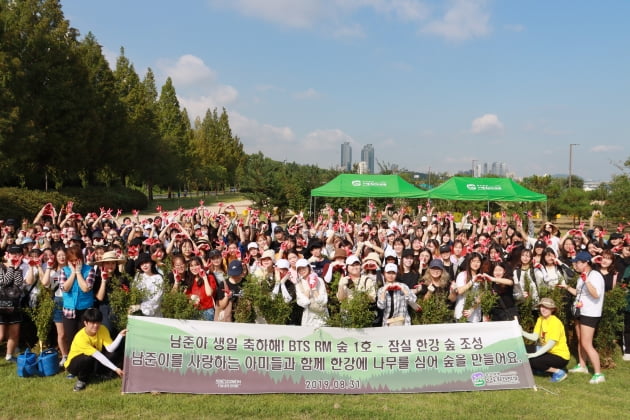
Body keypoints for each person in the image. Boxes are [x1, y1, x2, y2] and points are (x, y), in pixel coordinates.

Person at [560, 251, 606, 384]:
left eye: (578, 262)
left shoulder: (595, 276)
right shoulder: (582, 277)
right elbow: (579, 293)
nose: (575, 265)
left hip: (590, 313)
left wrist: (587, 281)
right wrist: (567, 287)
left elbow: (596, 294)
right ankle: (582, 366)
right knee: (580, 340)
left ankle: (598, 374)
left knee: (587, 343)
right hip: (580, 311)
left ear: (586, 263)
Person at [64, 308, 126, 392]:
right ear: (85, 323)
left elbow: (110, 349)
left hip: (93, 359)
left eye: (98, 322)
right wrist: (116, 369)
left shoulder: (102, 329)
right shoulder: (81, 337)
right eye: (92, 323)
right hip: (74, 364)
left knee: (114, 352)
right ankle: (82, 380)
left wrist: (120, 336)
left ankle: (100, 373)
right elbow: (98, 356)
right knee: (86, 358)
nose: (96, 325)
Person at [521, 298, 570, 382]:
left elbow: (550, 344)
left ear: (552, 309)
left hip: (560, 357)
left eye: (547, 307)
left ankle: (559, 372)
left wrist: (535, 354)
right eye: (542, 306)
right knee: (523, 349)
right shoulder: (540, 319)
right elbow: (535, 337)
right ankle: (540, 370)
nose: (543, 309)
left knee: (533, 359)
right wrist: (522, 332)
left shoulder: (555, 323)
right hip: (549, 352)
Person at [0, 245, 25, 362]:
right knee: (1, 335)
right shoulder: (1, 266)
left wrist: (15, 268)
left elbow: (18, 284)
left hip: (14, 303)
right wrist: (10, 266)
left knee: (14, 333)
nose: (15, 256)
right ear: (7, 254)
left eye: (18, 253)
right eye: (13, 253)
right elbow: (4, 282)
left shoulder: (18, 268)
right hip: (1, 303)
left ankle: (9, 355)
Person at [295, 258, 328, 327]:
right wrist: (308, 289)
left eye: (304, 268)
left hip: (321, 317)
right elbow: (303, 303)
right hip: (308, 318)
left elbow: (324, 301)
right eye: (299, 269)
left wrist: (314, 288)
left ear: (309, 267)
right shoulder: (298, 284)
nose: (302, 271)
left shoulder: (319, 280)